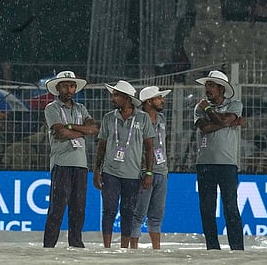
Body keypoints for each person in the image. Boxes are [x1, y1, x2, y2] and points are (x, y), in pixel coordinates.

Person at [93, 80, 155, 248]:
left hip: (133, 173)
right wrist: (97, 170)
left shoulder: (142, 118)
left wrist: (149, 172)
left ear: (127, 98)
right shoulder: (108, 118)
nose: (113, 99)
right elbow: (101, 146)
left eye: (116, 96)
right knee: (109, 211)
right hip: (110, 172)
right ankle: (106, 247)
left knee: (128, 212)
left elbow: (150, 148)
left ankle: (124, 247)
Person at [43, 70, 99, 248]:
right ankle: (49, 245)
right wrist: (81, 130)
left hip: (81, 165)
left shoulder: (81, 108)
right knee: (57, 208)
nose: (70, 89)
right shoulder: (51, 108)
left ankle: (76, 243)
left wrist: (71, 127)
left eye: (72, 86)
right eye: (66, 86)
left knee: (78, 209)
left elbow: (94, 129)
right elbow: (60, 131)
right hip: (62, 163)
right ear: (58, 88)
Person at [194, 70, 245, 250]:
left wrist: (209, 111)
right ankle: (212, 247)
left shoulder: (235, 104)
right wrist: (229, 122)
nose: (207, 89)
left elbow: (218, 123)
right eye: (207, 85)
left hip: (227, 164)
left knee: (231, 207)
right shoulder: (199, 108)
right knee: (207, 209)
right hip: (205, 164)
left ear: (221, 89)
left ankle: (237, 247)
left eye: (211, 85)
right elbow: (205, 128)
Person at [130, 86, 171, 250]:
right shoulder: (137, 119)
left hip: (161, 169)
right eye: (159, 98)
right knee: (138, 213)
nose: (162, 100)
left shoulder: (161, 119)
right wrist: (146, 169)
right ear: (149, 101)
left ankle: (156, 249)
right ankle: (133, 248)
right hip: (143, 170)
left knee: (157, 214)